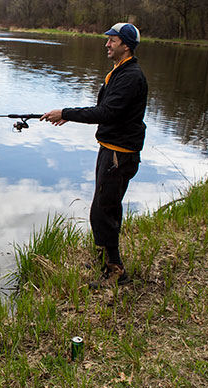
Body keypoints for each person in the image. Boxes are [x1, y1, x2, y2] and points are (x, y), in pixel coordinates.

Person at [41, 22, 148, 289]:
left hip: (119, 154)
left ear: (125, 45)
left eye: (112, 40)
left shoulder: (131, 77)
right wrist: (68, 115)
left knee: (104, 210)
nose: (107, 44)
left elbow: (107, 112)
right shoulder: (119, 72)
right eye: (108, 40)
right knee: (103, 206)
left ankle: (116, 272)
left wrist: (66, 113)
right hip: (111, 149)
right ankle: (104, 260)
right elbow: (106, 111)